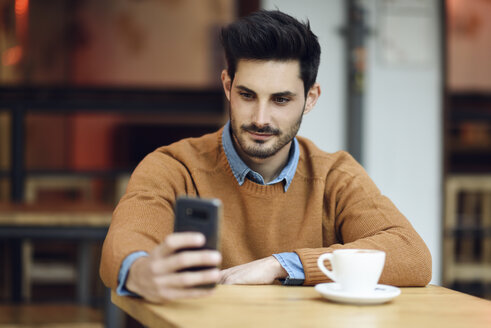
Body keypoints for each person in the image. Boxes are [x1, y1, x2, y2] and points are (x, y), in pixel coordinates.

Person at [100, 10, 432, 303]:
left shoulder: (335, 175)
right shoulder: (174, 166)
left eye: (281, 100)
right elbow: (122, 247)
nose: (261, 118)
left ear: (311, 97)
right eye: (247, 95)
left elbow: (412, 254)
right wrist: (141, 271)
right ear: (228, 86)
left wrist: (282, 264)